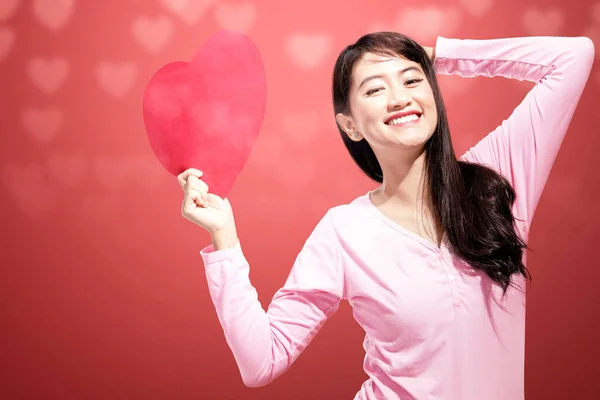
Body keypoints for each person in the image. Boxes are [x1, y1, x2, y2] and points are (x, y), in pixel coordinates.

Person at [177, 32, 595, 400]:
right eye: (375, 90)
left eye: (413, 81)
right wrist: (223, 239)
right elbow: (262, 361)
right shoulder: (344, 231)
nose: (400, 98)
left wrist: (439, 55)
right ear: (350, 125)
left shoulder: (496, 180)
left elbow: (573, 57)